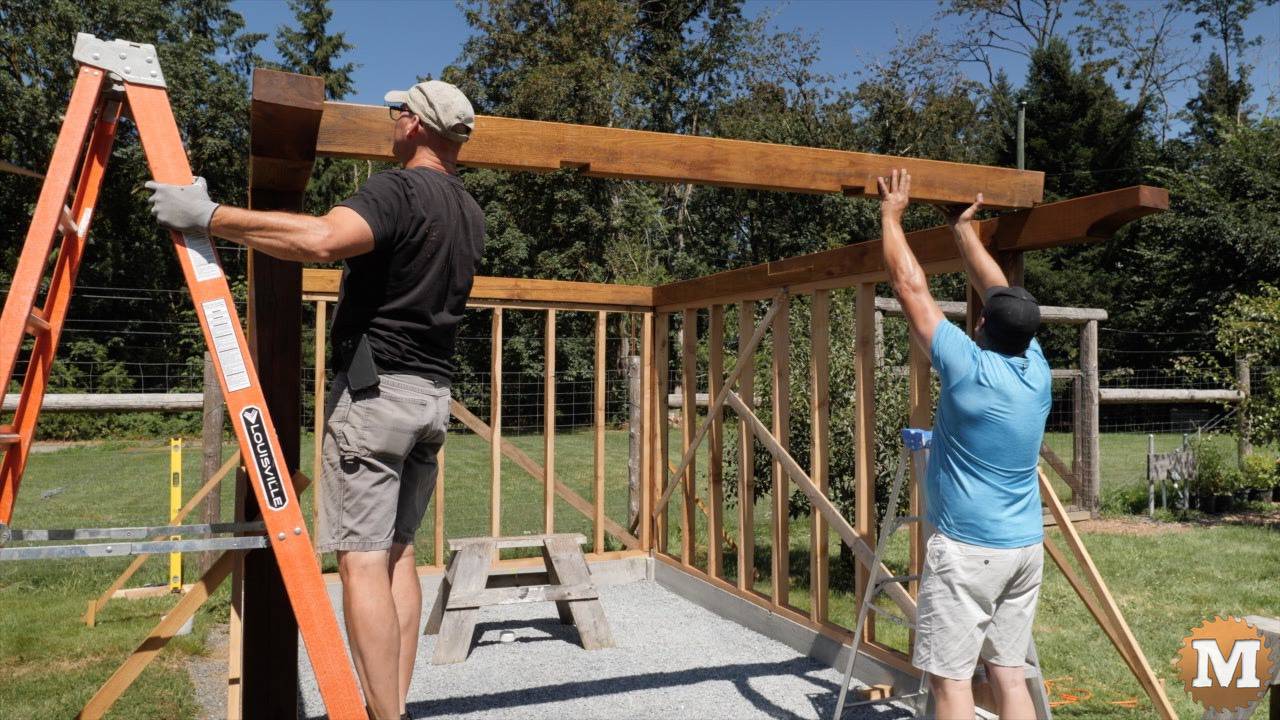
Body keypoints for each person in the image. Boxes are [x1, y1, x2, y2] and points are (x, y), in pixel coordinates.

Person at [146, 80, 485, 720]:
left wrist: (209, 216)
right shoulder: (470, 211)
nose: (391, 120)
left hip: (376, 400)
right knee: (400, 553)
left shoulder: (399, 189)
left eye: (397, 112)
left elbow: (323, 239)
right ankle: (393, 707)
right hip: (431, 399)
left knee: (362, 562)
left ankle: (385, 716)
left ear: (415, 125)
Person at [877, 169, 1050, 719]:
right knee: (1010, 677)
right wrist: (962, 231)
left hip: (970, 552)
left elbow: (910, 288)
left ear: (983, 327)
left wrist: (891, 216)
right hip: (1024, 548)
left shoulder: (970, 369)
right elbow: (999, 293)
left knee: (950, 684)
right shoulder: (1036, 367)